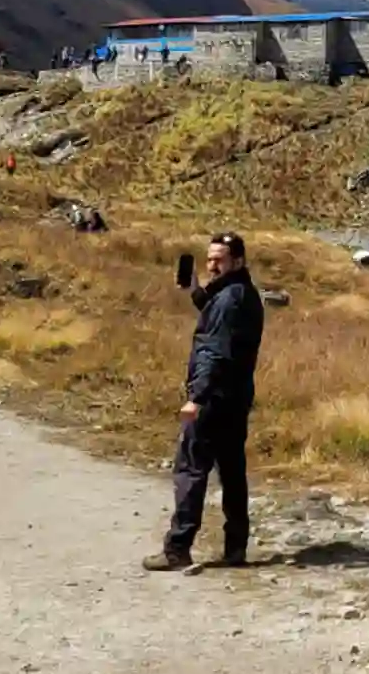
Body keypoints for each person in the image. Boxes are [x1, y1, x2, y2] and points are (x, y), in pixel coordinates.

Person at [146, 232, 265, 571]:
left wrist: (196, 398)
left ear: (237, 261)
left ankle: (177, 549)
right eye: (210, 258)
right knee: (231, 471)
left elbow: (214, 350)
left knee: (191, 469)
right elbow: (218, 318)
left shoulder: (230, 300)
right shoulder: (241, 294)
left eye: (219, 259)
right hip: (235, 398)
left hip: (213, 399)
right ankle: (235, 546)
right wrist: (197, 291)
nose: (212, 265)